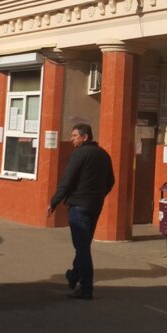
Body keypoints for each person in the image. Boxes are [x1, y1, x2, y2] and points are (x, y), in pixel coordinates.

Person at [47, 123, 114, 300]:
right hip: (94, 206)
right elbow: (111, 181)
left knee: (82, 248)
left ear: (85, 137)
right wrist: (98, 196)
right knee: (84, 244)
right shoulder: (104, 154)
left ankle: (86, 288)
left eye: (75, 135)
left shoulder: (79, 154)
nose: (71, 138)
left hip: (79, 207)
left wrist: (54, 202)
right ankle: (74, 275)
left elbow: (67, 180)